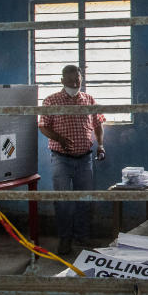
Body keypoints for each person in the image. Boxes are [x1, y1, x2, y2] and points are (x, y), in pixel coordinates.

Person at [37, 65, 106, 256]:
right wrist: (60, 139)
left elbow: (98, 124)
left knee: (84, 199)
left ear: (81, 79)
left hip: (85, 159)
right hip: (61, 159)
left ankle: (82, 237)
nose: (74, 83)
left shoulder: (88, 99)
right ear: (62, 81)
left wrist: (100, 145)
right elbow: (43, 126)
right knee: (64, 201)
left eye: (77, 80)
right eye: (70, 80)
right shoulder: (51, 100)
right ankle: (65, 239)